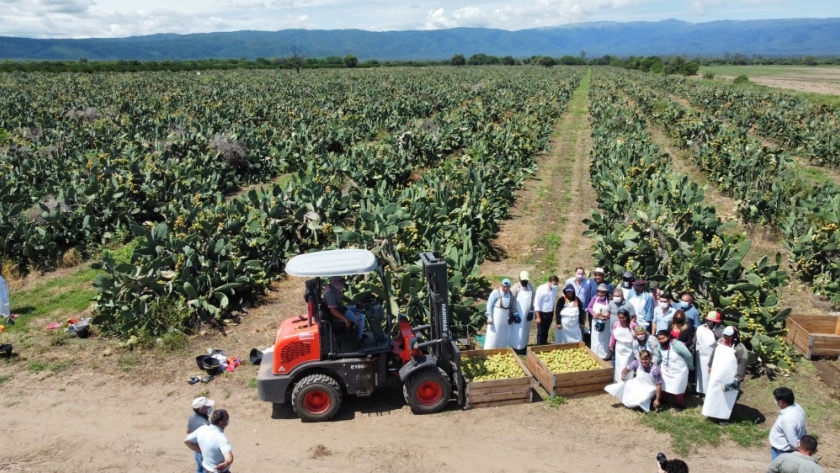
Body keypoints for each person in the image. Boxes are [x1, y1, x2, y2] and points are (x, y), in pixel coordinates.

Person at [702, 326, 749, 424]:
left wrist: (738, 379)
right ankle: (712, 412)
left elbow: (742, 364)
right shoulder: (720, 341)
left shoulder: (740, 349)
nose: (726, 338)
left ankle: (724, 417)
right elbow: (714, 352)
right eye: (725, 335)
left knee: (727, 397)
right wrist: (710, 365)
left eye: (729, 336)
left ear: (734, 336)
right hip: (717, 373)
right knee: (713, 393)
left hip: (729, 376)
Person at [653, 330, 693, 411]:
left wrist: (691, 366)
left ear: (668, 337)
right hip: (666, 370)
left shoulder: (677, 345)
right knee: (664, 386)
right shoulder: (659, 346)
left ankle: (680, 404)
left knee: (677, 387)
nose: (661, 340)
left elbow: (688, 355)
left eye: (663, 338)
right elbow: (658, 357)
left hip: (679, 370)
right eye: (659, 339)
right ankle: (664, 399)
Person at [184, 409, 234, 473]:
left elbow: (186, 441)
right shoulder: (221, 438)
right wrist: (225, 464)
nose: (228, 420)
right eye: (227, 419)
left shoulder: (202, 429)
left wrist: (201, 451)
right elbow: (229, 459)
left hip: (206, 470)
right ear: (221, 423)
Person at [323, 275, 366, 344]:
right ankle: (358, 339)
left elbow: (342, 296)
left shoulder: (334, 288)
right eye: (341, 281)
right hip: (338, 314)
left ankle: (359, 333)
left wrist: (353, 302)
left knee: (361, 310)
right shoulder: (330, 293)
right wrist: (345, 319)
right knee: (360, 318)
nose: (342, 283)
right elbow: (333, 310)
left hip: (342, 309)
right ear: (336, 281)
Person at [769, 387, 807, 460]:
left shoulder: (788, 420)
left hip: (782, 452)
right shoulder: (797, 407)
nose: (775, 401)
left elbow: (793, 442)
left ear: (781, 402)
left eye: (775, 399)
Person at [695, 311, 724, 396]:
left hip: (712, 357)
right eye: (709, 321)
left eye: (713, 322)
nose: (710, 323)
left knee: (710, 376)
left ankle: (709, 392)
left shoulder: (720, 332)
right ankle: (700, 390)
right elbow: (695, 340)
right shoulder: (701, 328)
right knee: (700, 375)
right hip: (700, 356)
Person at [508, 271, 535, 354]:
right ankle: (514, 347)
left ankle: (523, 347)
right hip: (517, 314)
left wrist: (531, 310)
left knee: (525, 331)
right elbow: (511, 300)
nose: (524, 282)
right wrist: (513, 312)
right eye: (523, 280)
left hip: (526, 315)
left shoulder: (530, 287)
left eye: (526, 280)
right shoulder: (516, 287)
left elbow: (533, 298)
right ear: (519, 279)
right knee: (516, 331)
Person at [187, 397, 215, 473]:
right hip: (204, 454)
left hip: (196, 450)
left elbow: (188, 431)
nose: (210, 408)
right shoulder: (206, 425)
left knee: (199, 469)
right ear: (201, 410)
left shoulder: (192, 417)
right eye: (207, 407)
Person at [484, 279, 514, 349]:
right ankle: (489, 349)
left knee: (502, 335)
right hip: (495, 318)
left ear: (510, 287)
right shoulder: (496, 292)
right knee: (493, 335)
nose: (506, 288)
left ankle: (500, 349)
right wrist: (489, 316)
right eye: (504, 286)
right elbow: (489, 304)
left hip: (504, 319)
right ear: (501, 285)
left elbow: (510, 306)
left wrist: (510, 315)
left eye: (507, 287)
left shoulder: (510, 294)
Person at [609, 309, 637, 382]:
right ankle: (619, 378)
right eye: (620, 318)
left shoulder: (633, 325)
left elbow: (638, 334)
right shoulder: (616, 324)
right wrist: (611, 345)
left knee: (628, 363)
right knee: (619, 363)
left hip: (629, 347)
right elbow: (613, 336)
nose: (621, 320)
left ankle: (629, 379)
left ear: (627, 317)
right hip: (619, 347)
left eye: (623, 318)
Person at [587, 284, 612, 359]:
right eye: (599, 292)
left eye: (602, 292)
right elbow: (589, 307)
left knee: (605, 338)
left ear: (605, 292)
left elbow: (611, 310)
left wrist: (606, 315)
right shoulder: (594, 298)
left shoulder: (609, 300)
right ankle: (595, 353)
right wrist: (594, 314)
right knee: (596, 337)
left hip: (606, 322)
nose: (600, 294)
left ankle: (605, 355)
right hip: (596, 321)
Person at [534, 275, 560, 346]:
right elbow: (537, 303)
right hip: (541, 313)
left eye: (556, 284)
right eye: (554, 284)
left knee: (546, 331)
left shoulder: (554, 289)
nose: (555, 286)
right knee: (541, 332)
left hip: (549, 313)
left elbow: (552, 301)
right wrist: (538, 317)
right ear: (550, 282)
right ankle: (539, 347)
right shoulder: (541, 289)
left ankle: (544, 345)